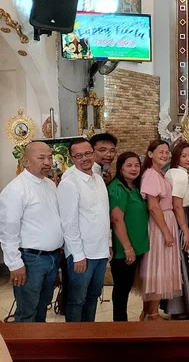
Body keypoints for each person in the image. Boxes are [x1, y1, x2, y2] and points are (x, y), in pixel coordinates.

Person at [0, 142, 63, 322]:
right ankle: (24, 349)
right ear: (26, 161)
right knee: (27, 311)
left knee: (42, 306)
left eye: (50, 157)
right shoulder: (16, 189)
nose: (47, 162)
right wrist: (14, 264)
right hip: (30, 260)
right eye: (41, 158)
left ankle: (40, 346)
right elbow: (7, 230)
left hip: (51, 258)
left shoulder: (49, 185)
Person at [58, 138, 110, 322]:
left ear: (93, 153)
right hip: (82, 254)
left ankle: (90, 334)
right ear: (72, 158)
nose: (85, 158)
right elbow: (69, 223)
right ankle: (75, 340)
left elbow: (104, 213)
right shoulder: (69, 183)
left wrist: (108, 243)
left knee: (92, 296)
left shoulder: (97, 179)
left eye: (88, 153)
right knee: (77, 299)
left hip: (100, 250)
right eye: (78, 156)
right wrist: (78, 254)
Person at [137, 140, 182, 321]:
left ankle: (148, 311)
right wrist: (166, 232)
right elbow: (153, 207)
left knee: (159, 264)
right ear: (150, 154)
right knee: (158, 265)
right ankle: (153, 312)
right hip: (159, 223)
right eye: (160, 152)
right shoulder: (150, 175)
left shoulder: (159, 174)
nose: (164, 155)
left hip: (165, 220)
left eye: (166, 152)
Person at [108, 152, 150, 322]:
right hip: (124, 250)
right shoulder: (117, 188)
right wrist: (127, 248)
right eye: (129, 165)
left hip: (138, 246)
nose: (134, 169)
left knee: (128, 286)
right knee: (121, 290)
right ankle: (120, 326)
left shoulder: (134, 186)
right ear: (120, 168)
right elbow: (117, 219)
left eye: (136, 165)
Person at [163, 142, 189, 319]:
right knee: (181, 262)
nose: (188, 159)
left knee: (186, 261)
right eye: (183, 156)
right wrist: (184, 229)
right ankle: (178, 307)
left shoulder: (187, 173)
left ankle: (188, 305)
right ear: (176, 157)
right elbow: (177, 205)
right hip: (181, 218)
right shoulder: (178, 174)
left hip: (188, 216)